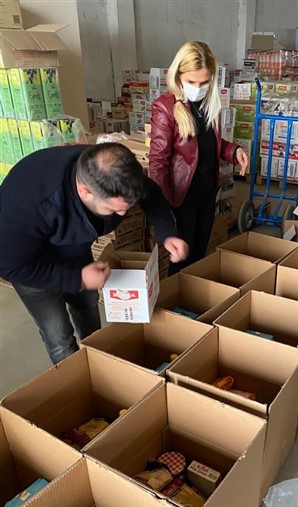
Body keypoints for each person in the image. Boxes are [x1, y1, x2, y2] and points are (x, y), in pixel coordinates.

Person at [0, 142, 188, 364]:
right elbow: (9, 266)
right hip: (32, 264)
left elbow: (151, 194)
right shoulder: (28, 207)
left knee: (87, 303)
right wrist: (76, 278)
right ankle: (76, 377)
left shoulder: (116, 172)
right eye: (114, 209)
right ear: (85, 191)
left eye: (127, 207)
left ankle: (98, 359)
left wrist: (168, 233)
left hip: (73, 248)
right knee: (58, 334)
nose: (122, 214)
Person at [149, 40, 248, 274]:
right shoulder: (166, 107)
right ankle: (177, 295)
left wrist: (234, 151)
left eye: (204, 82)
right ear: (178, 75)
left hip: (206, 191)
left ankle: (193, 293)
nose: (198, 87)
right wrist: (163, 207)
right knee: (182, 259)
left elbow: (208, 144)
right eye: (191, 82)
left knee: (199, 253)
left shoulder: (209, 103)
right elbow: (158, 160)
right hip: (182, 196)